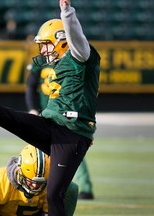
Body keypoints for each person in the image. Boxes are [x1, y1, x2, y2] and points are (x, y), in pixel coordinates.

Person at [0, 0, 100, 215]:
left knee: (54, 193)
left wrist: (67, 13)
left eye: (47, 44)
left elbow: (77, 38)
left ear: (61, 41)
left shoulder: (80, 56)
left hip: (71, 134)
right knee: (11, 119)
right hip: (53, 126)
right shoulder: (59, 64)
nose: (44, 50)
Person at [25, 62, 94, 200]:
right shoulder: (43, 61)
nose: (44, 49)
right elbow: (31, 85)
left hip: (65, 114)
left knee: (72, 148)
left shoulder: (71, 61)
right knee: (39, 152)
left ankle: (84, 187)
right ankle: (43, 186)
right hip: (45, 113)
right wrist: (32, 108)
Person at [0, 144, 79, 216]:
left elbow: (48, 213)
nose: (35, 186)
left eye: (40, 183)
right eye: (31, 181)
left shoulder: (50, 183)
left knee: (70, 188)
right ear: (19, 170)